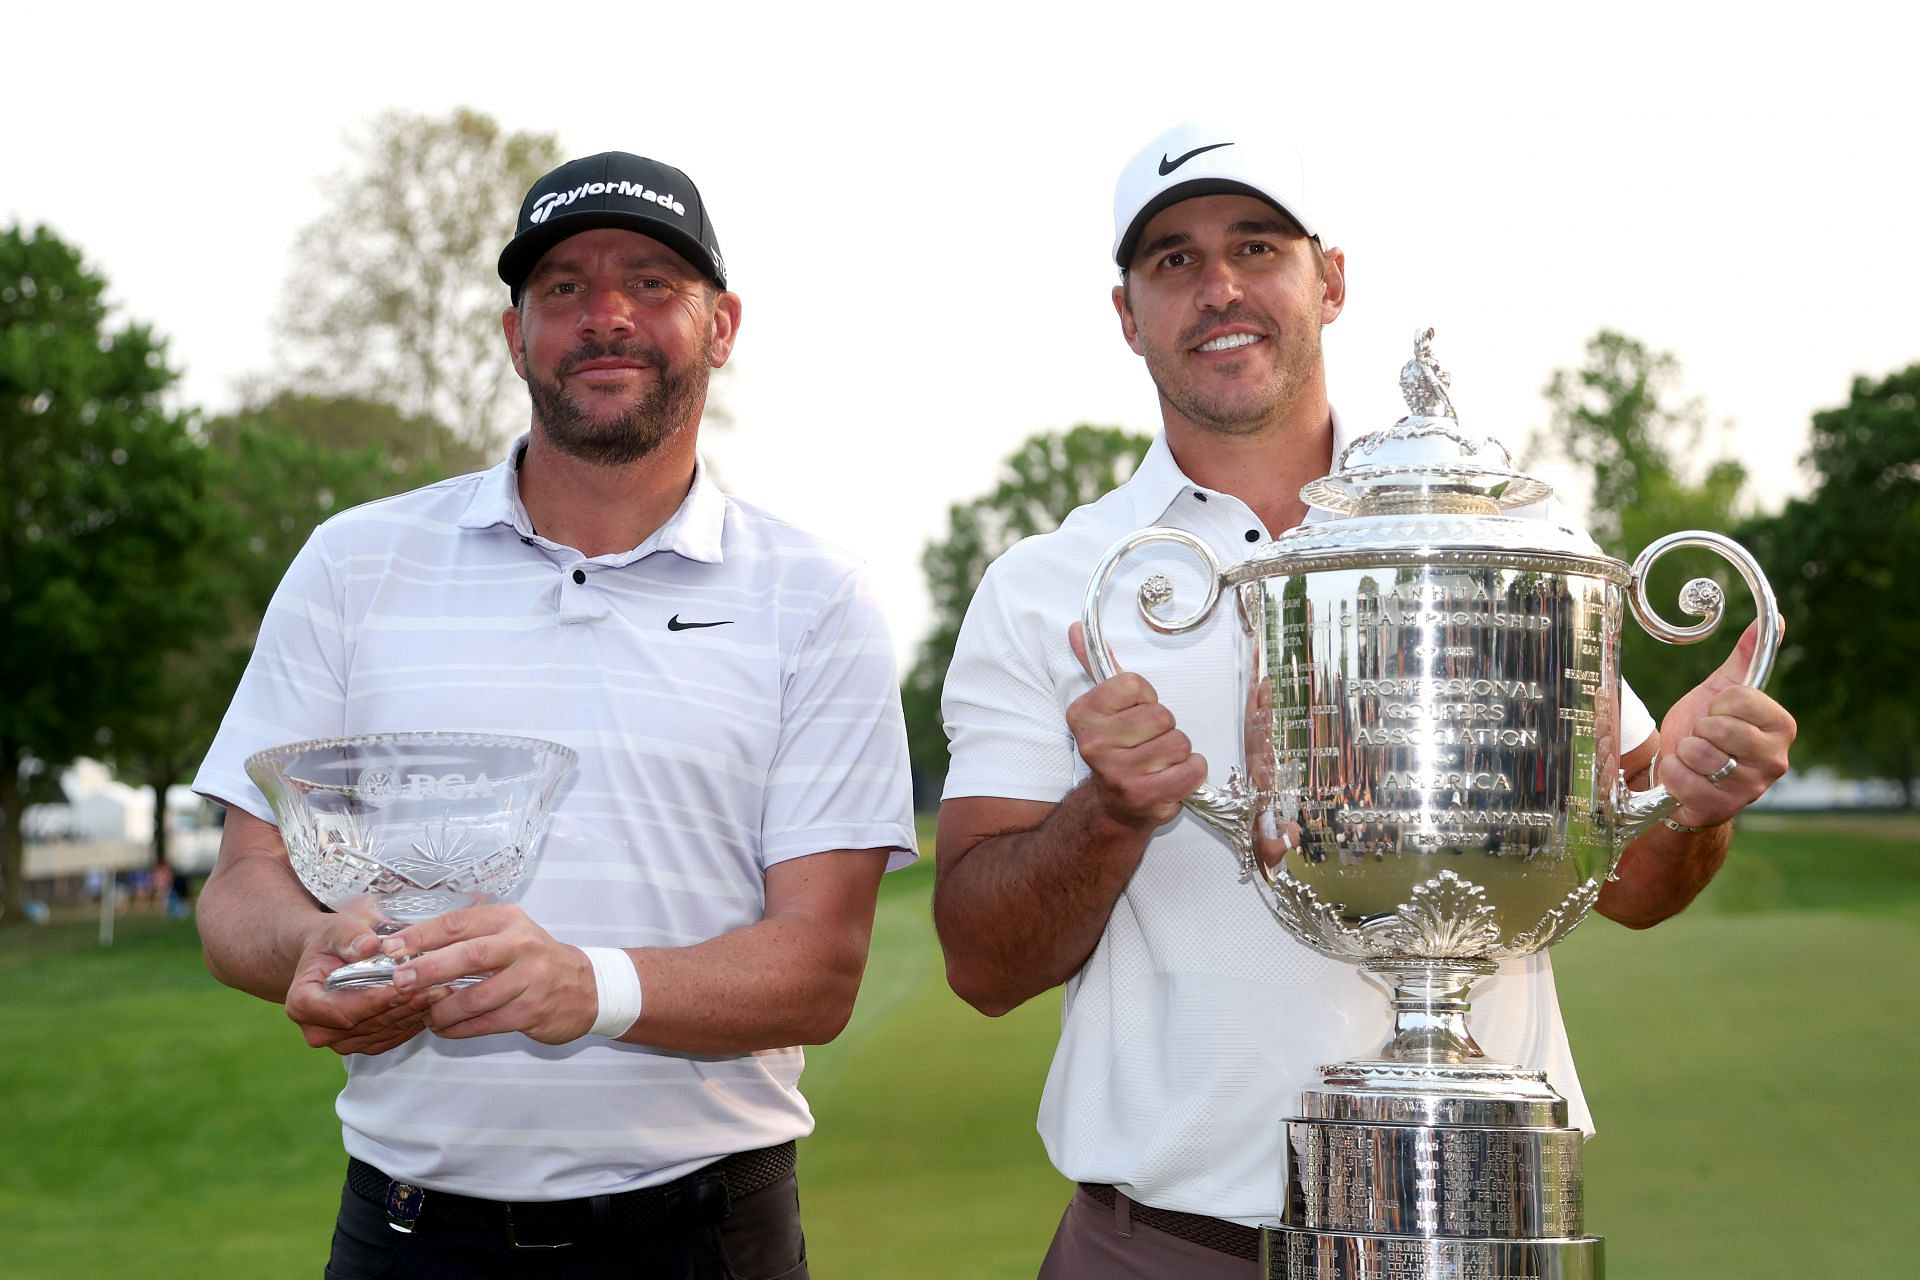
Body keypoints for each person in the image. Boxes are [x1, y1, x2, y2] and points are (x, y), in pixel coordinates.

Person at [932, 122, 1796, 1279]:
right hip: (1173, 1247)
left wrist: (1689, 798)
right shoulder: (1054, 587)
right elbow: (984, 964)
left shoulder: (1501, 541)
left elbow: (1633, 880)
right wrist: (1109, 808)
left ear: (1329, 280)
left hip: (1481, 1229)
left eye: (1257, 246)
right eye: (1173, 261)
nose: (1219, 289)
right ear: (1127, 312)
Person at [194, 150, 916, 1279]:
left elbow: (821, 963)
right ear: (513, 332)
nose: (606, 315)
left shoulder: (816, 596)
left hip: (704, 1237)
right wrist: (312, 943)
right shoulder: (354, 562)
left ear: (722, 325)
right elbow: (240, 887)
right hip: (406, 1234)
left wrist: (589, 985)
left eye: (651, 282)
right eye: (564, 288)